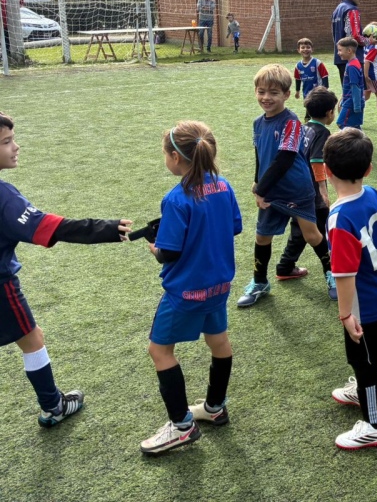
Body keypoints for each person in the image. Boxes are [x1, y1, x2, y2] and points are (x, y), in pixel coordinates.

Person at [0, 111, 131, 429]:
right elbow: (51, 227)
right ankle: (53, 406)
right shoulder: (4, 198)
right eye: (6, 142)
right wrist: (108, 229)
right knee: (32, 339)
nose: (16, 146)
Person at [140, 121, 242, 455]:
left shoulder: (176, 198)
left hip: (185, 292)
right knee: (219, 341)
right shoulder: (224, 185)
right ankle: (215, 408)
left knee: (159, 351)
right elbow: (234, 227)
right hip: (219, 286)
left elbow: (168, 252)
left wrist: (154, 247)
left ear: (175, 157)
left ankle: (182, 427)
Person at [326, 129, 377, 450]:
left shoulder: (339, 218)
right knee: (371, 358)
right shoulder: (373, 193)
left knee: (365, 364)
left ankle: (376, 425)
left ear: (326, 171)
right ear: (369, 169)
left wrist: (346, 314)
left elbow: (344, 275)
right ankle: (362, 390)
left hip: (365, 306)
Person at [238, 64, 330, 308]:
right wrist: (257, 182)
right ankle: (260, 282)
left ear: (287, 94)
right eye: (261, 91)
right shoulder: (258, 123)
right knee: (262, 237)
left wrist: (261, 190)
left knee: (311, 234)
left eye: (274, 92)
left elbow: (285, 159)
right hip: (271, 190)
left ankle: (332, 273)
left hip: (296, 190)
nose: (266, 97)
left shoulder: (292, 122)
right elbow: (260, 155)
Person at [274, 87, 338, 300]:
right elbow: (316, 161)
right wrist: (323, 191)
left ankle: (285, 266)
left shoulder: (302, 128)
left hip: (295, 190)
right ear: (329, 112)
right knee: (325, 233)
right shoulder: (323, 133)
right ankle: (333, 274)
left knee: (300, 230)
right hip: (311, 194)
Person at [332, 0, 371, 83]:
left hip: (340, 57)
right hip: (352, 57)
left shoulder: (337, 9)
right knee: (356, 89)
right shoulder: (352, 9)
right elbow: (355, 36)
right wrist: (369, 41)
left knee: (346, 90)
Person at [337, 38, 366, 130]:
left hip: (351, 103)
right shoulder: (352, 63)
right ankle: (361, 139)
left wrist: (357, 106)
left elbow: (355, 87)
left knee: (342, 124)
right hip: (349, 101)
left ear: (349, 51)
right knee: (354, 126)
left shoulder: (352, 66)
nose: (338, 53)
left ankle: (356, 138)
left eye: (340, 50)